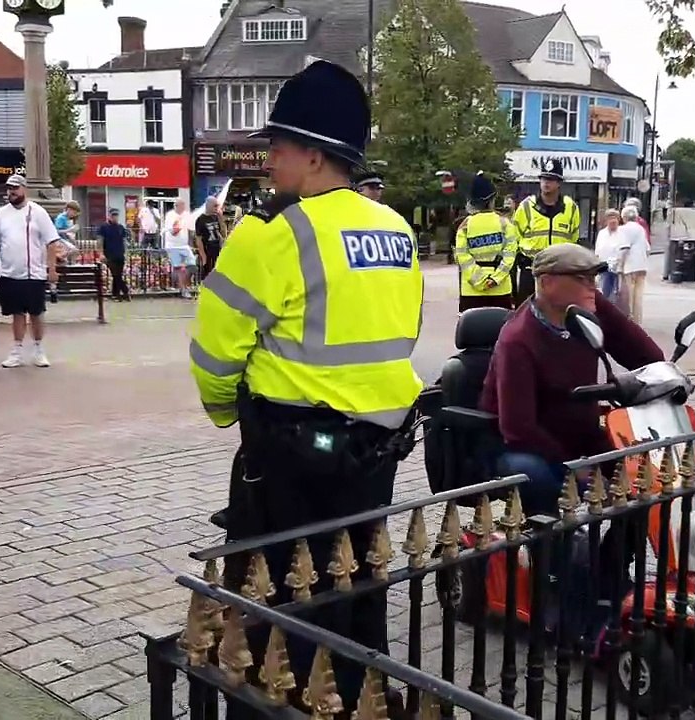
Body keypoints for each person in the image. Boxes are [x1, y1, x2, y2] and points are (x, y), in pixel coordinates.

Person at [189, 60, 421, 714]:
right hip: (372, 460)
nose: (270, 162)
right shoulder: (397, 232)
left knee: (272, 612)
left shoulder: (271, 233)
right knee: (355, 597)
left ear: (315, 157)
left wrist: (221, 412)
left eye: (278, 148)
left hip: (286, 464)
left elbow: (214, 351)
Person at [479, 244, 663, 516]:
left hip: (581, 434)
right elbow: (518, 428)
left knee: (642, 480)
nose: (593, 286)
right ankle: (552, 551)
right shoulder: (518, 339)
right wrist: (575, 465)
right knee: (540, 479)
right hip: (524, 444)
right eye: (582, 279)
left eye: (594, 278)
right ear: (547, 282)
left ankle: (613, 554)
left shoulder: (591, 308)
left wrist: (665, 377)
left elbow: (647, 356)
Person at [0, 175, 62, 369]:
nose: (11, 192)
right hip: (10, 273)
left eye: (15, 188)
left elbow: (52, 242)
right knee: (16, 313)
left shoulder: (38, 212)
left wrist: (52, 269)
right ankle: (17, 350)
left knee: (37, 313)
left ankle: (39, 349)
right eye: (8, 189)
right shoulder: (1, 214)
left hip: (34, 274)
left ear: (24, 189)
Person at [510, 159, 582, 305]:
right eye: (543, 178)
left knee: (558, 312)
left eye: (551, 179)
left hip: (559, 270)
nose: (546, 183)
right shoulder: (527, 206)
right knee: (526, 313)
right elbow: (513, 236)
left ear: (559, 183)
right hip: (531, 268)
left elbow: (574, 238)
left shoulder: (571, 207)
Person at [453, 172, 516, 311]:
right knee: (500, 331)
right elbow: (510, 256)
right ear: (492, 200)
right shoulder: (505, 223)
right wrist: (494, 279)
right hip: (500, 289)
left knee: (472, 330)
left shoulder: (464, 226)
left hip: (471, 291)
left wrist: (479, 280)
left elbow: (462, 257)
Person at [619, 205, 650, 323]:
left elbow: (624, 248)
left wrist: (620, 265)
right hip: (642, 266)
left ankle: (629, 320)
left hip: (629, 266)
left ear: (624, 217)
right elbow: (648, 248)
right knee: (638, 296)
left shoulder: (624, 229)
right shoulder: (641, 229)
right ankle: (638, 321)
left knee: (629, 296)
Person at [163, 198, 196, 298]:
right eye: (181, 205)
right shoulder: (170, 216)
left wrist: (191, 243)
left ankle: (182, 285)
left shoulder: (186, 215)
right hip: (173, 246)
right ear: (176, 206)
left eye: (184, 205)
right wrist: (178, 226)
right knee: (180, 269)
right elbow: (173, 232)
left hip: (184, 245)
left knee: (192, 265)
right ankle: (183, 290)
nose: (183, 207)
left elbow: (190, 229)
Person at [96, 208, 131, 301]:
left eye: (116, 216)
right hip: (109, 254)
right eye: (113, 216)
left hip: (120, 254)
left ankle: (115, 295)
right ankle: (125, 291)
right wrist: (101, 253)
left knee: (118, 274)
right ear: (109, 216)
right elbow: (100, 241)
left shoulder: (121, 227)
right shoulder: (103, 227)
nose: (115, 218)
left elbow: (124, 241)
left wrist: (126, 253)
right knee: (116, 274)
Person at [593, 209, 628, 304]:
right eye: (610, 219)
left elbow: (624, 249)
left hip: (618, 268)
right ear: (606, 221)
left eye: (615, 219)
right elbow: (598, 250)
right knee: (604, 291)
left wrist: (619, 264)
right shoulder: (602, 234)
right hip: (604, 266)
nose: (613, 221)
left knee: (617, 293)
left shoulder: (622, 233)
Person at [193, 196, 227, 276]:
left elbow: (224, 233)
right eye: (215, 206)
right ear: (208, 205)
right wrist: (203, 256)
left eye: (217, 206)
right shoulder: (200, 219)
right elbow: (198, 239)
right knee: (209, 274)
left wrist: (221, 219)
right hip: (208, 249)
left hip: (218, 249)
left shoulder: (216, 217)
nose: (216, 208)